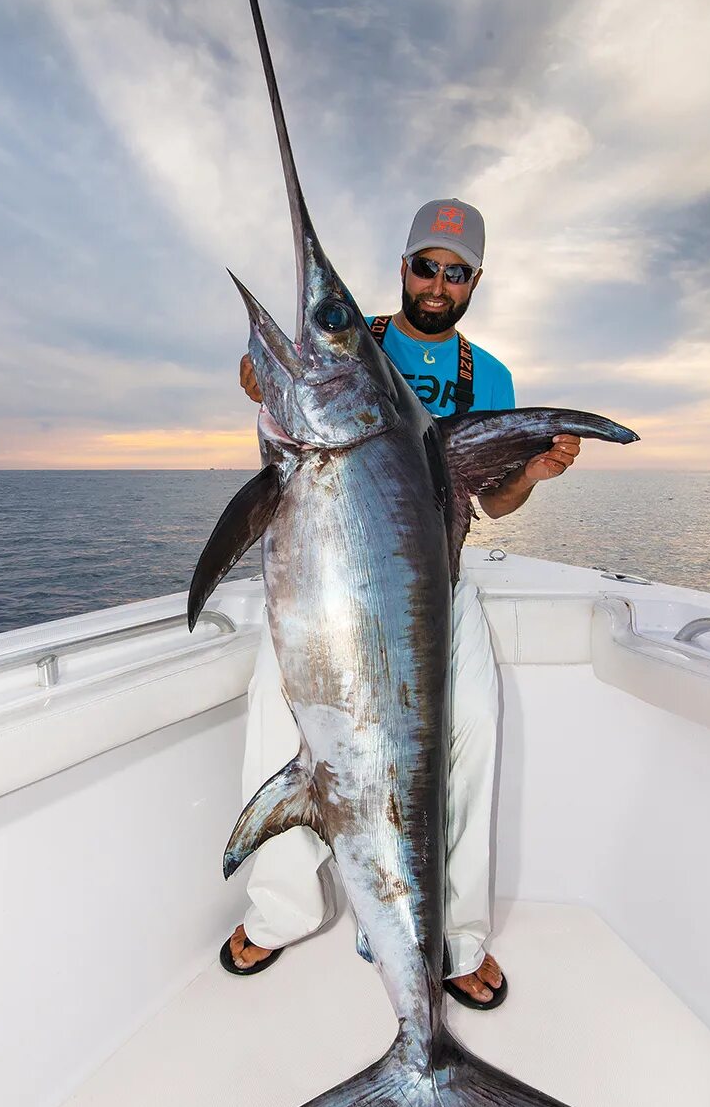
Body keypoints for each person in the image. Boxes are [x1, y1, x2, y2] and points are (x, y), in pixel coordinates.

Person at [225, 199, 580, 1007]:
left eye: (457, 273)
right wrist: (264, 384)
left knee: (479, 726)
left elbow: (493, 504)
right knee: (269, 716)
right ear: (404, 269)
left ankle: (453, 938)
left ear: (474, 282)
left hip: (434, 587)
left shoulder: (485, 377)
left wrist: (529, 474)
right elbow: (297, 428)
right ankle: (281, 910)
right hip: (321, 588)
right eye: (427, 265)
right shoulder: (357, 344)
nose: (439, 283)